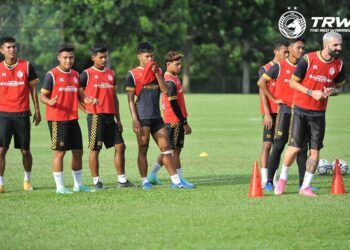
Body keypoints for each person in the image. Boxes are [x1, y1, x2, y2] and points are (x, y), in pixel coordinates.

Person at [274, 32, 345, 197]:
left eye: (340, 45)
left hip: (319, 113)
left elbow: (339, 88)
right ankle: (282, 179)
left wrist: (332, 91)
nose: (339, 48)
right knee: (295, 147)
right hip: (300, 109)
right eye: (335, 45)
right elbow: (292, 82)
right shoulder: (308, 59)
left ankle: (305, 187)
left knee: (315, 151)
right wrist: (311, 92)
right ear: (325, 44)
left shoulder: (339, 65)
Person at [126, 42, 193, 189]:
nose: (150, 59)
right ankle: (145, 181)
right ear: (140, 57)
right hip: (142, 118)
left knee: (166, 148)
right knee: (143, 149)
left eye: (152, 56)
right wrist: (135, 119)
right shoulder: (132, 74)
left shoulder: (159, 71)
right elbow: (130, 99)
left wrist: (156, 73)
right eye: (147, 56)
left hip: (157, 118)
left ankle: (176, 181)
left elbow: (165, 91)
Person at [40, 43, 93, 194]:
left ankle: (79, 185)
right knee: (60, 153)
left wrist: (87, 100)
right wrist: (49, 101)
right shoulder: (52, 75)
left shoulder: (76, 75)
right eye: (65, 58)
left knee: (78, 151)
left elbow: (79, 95)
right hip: (57, 119)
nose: (68, 60)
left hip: (72, 118)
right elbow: (42, 95)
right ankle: (60, 187)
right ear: (59, 58)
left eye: (70, 58)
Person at [80, 44, 134, 189]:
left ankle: (122, 180)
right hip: (96, 117)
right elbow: (77, 94)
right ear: (93, 58)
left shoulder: (111, 73)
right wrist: (86, 108)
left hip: (110, 117)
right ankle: (96, 181)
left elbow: (114, 97)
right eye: (101, 57)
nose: (104, 59)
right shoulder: (86, 74)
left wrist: (119, 119)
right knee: (95, 149)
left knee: (120, 146)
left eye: (105, 56)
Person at [257, 37, 308, 191]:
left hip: (300, 111)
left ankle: (303, 184)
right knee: (277, 146)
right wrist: (273, 100)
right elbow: (261, 84)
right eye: (297, 48)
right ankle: (269, 181)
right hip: (283, 111)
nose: (301, 51)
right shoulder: (277, 67)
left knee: (302, 147)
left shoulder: (304, 66)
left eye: (303, 49)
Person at [0, 36, 41, 193]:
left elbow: (33, 90)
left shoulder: (26, 66)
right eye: (8, 47)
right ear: (2, 50)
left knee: (25, 150)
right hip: (3, 114)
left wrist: (37, 110)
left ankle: (27, 180)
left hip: (22, 113)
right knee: (2, 150)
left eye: (14, 47)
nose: (12, 50)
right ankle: (1, 183)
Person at [147, 51, 194, 187]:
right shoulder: (169, 81)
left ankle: (153, 175)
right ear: (168, 64)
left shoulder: (175, 77)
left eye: (180, 64)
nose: (180, 66)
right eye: (177, 64)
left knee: (167, 150)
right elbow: (173, 104)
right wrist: (184, 122)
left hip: (174, 120)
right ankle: (178, 180)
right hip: (173, 121)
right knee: (175, 152)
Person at [258, 39, 289, 188]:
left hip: (284, 112)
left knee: (279, 145)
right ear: (276, 52)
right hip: (270, 112)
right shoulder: (266, 68)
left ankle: (273, 178)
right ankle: (265, 180)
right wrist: (266, 114)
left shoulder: (287, 67)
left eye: (288, 52)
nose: (287, 54)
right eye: (285, 52)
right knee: (267, 145)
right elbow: (262, 92)